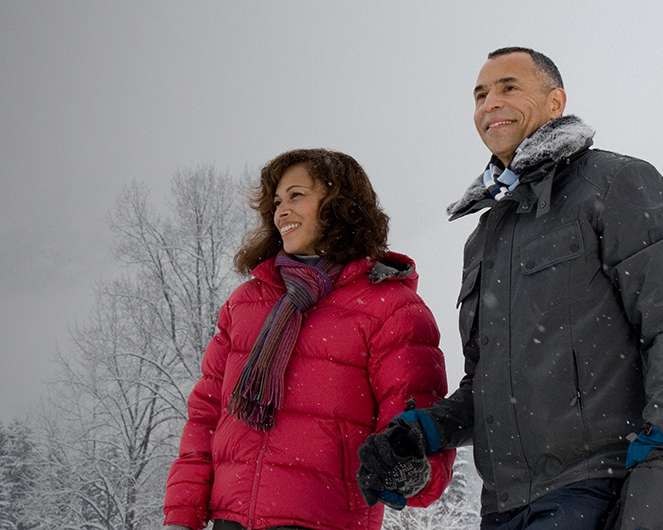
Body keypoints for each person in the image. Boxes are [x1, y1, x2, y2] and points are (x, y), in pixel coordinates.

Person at [355, 47, 663, 530]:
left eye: (509, 87)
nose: (490, 103)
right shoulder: (485, 237)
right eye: (480, 94)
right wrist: (425, 430)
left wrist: (662, 458)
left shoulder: (615, 184)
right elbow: (488, 386)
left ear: (555, 102)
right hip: (502, 507)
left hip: (595, 489)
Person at [163, 148, 455, 530]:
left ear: (340, 204)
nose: (281, 212)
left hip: (325, 521)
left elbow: (417, 419)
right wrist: (182, 514)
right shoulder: (246, 304)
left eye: (296, 196)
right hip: (230, 521)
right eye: (276, 202)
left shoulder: (390, 307)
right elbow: (205, 417)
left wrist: (415, 473)